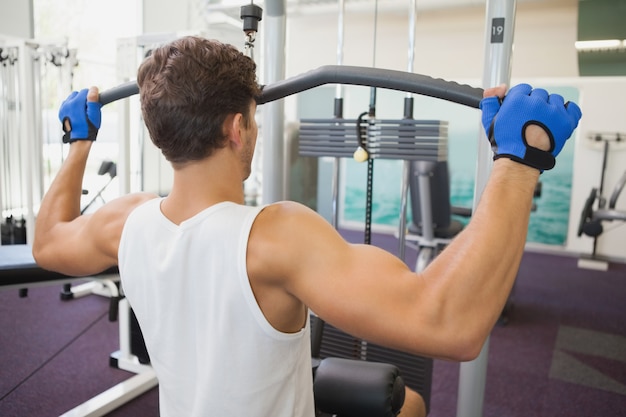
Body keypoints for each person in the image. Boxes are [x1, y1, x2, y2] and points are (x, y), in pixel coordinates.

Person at [32, 36, 581, 417]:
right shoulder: (273, 238)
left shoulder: (124, 221)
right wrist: (519, 161)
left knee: (405, 406)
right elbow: (451, 323)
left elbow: (48, 241)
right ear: (237, 129)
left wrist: (79, 142)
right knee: (409, 403)